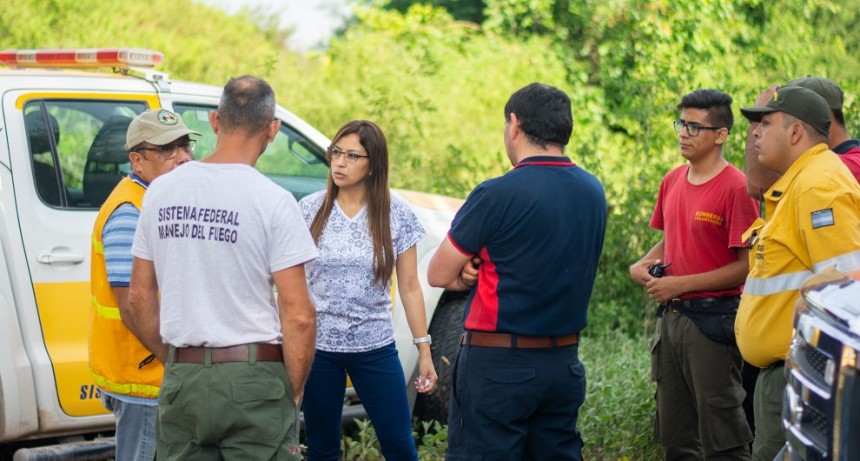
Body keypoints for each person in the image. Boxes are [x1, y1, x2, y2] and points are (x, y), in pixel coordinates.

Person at [126, 76, 318, 460]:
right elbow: (298, 315)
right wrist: (291, 390)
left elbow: (137, 298)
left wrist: (178, 362)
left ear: (214, 121)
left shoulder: (160, 191)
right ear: (273, 129)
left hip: (183, 375)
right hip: (253, 376)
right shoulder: (274, 201)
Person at [427, 82, 607, 460]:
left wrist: (466, 274)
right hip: (563, 363)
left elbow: (439, 274)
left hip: (499, 366)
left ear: (515, 124)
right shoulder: (593, 191)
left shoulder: (496, 193)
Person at [298, 120, 437, 461]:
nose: (339, 162)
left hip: (374, 346)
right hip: (319, 349)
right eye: (336, 153)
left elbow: (409, 287)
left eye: (351, 156)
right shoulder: (308, 209)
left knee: (400, 446)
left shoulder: (396, 213)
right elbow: (291, 285)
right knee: (321, 449)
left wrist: (424, 351)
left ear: (373, 163)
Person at [629, 89, 757, 460]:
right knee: (676, 434)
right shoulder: (672, 180)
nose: (684, 133)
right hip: (672, 321)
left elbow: (746, 265)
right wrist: (640, 264)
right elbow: (673, 240)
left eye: (694, 127)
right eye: (681, 124)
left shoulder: (737, 187)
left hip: (713, 322)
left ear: (721, 134)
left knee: (722, 435)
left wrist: (679, 284)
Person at [737, 85, 860, 461]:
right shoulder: (797, 185)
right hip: (784, 376)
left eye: (765, 123)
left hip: (800, 378)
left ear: (795, 133)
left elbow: (847, 293)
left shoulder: (819, 187)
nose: (755, 133)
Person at [88, 109, 197, 461]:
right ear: (137, 160)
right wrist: (176, 364)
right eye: (168, 150)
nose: (182, 158)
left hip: (152, 369)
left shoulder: (156, 200)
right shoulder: (129, 211)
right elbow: (133, 306)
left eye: (185, 146)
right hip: (144, 375)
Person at [745, 76, 860, 200]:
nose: (756, 132)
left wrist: (761, 110)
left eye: (767, 123)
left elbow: (759, 186)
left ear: (823, 115)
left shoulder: (846, 166)